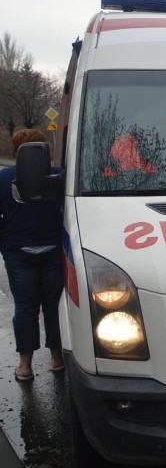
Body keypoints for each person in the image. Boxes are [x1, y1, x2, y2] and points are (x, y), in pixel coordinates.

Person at [0, 129, 65, 381]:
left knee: (25, 308)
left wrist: (6, 245)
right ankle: (57, 359)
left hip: (18, 253)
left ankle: (25, 367)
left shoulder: (4, 178)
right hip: (53, 250)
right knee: (53, 307)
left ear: (17, 152)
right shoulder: (58, 176)